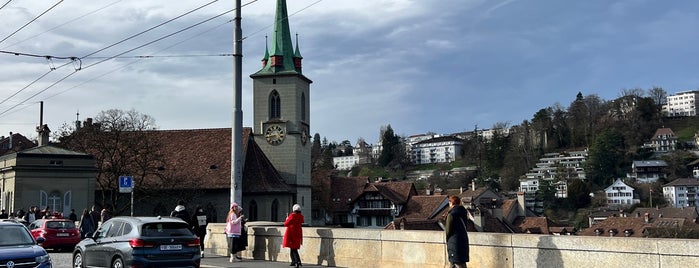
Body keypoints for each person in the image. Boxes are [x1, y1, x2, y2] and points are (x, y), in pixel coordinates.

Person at [445, 195, 470, 268]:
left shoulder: (451, 214)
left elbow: (448, 230)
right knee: (458, 263)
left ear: (451, 203)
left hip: (454, 242)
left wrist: (448, 239)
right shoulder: (463, 212)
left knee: (457, 263)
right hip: (463, 241)